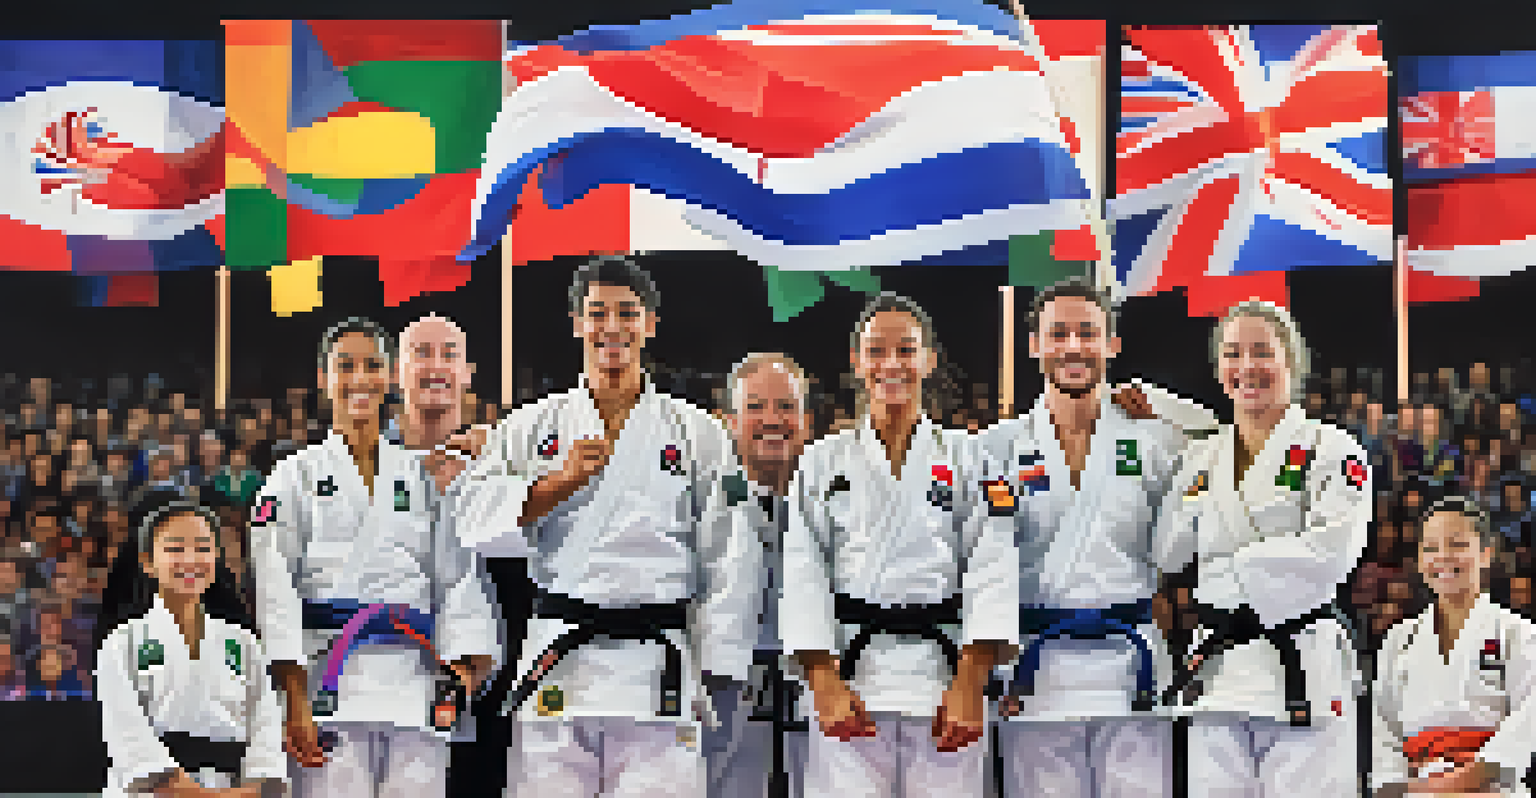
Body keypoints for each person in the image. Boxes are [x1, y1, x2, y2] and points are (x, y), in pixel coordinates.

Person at [444, 255, 756, 798]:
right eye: (598, 313)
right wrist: (555, 486)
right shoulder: (534, 424)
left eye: (627, 313)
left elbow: (730, 552)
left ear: (650, 323)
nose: (612, 327)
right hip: (561, 661)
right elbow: (471, 521)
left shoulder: (696, 431)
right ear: (576, 322)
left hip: (657, 666)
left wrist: (717, 660)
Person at [249, 318, 499, 798]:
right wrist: (293, 697)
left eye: (371, 367)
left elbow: (457, 574)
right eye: (345, 367)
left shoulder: (420, 474)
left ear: (389, 379)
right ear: (323, 378)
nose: (359, 379)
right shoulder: (292, 477)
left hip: (416, 684)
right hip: (331, 683)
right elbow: (275, 590)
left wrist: (464, 670)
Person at [782, 292, 1018, 798]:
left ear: (929, 360)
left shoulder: (967, 456)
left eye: (906, 350)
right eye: (877, 350)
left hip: (943, 681)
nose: (892, 364)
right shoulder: (822, 461)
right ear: (857, 360)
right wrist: (822, 680)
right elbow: (803, 572)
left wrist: (971, 682)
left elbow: (992, 568)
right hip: (851, 681)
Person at [1153, 300, 1370, 798]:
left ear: (1291, 362)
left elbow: (1331, 556)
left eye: (1261, 352)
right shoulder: (1201, 456)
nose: (1246, 367)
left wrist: (1224, 571)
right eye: (1232, 354)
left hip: (1300, 672)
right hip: (1220, 675)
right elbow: (1167, 553)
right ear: (1219, 369)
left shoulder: (1332, 450)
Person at [981, 278, 1188, 798]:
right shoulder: (997, 447)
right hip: (1037, 672)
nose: (1073, 347)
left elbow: (1224, 441)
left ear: (1112, 345)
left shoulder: (1155, 436)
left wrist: (1161, 403)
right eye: (1059, 333)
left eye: (1088, 333)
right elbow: (981, 567)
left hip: (1130, 669)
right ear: (1035, 344)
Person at [94, 488, 286, 796]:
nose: (190, 560)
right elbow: (127, 735)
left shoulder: (243, 642)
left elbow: (266, 729)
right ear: (147, 562)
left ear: (216, 557)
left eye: (202, 548)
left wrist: (252, 790)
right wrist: (193, 794)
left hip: (232, 789)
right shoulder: (122, 643)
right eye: (174, 548)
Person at [705, 353, 815, 798]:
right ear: (730, 420)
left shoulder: (835, 491)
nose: (772, 419)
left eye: (786, 406)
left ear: (806, 420)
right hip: (726, 682)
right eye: (755, 406)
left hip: (814, 681)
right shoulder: (703, 490)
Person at [1373, 497, 1535, 797]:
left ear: (1486, 554)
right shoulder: (1399, 639)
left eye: (1457, 545)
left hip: (1492, 789)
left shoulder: (1518, 634)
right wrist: (1399, 787)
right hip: (1416, 787)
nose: (1442, 557)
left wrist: (1465, 781)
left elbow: (1528, 719)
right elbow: (1381, 728)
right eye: (1430, 548)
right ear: (1420, 560)